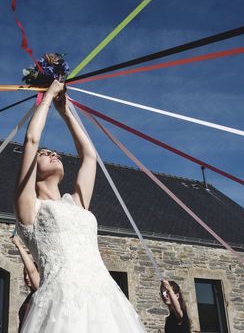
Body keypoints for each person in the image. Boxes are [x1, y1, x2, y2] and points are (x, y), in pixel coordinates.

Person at [14, 79, 146, 332]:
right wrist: (49, 96)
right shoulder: (30, 206)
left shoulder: (77, 203)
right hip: (62, 302)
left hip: (105, 299)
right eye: (45, 153)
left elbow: (89, 156)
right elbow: (31, 139)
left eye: (55, 152)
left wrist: (66, 112)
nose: (54, 154)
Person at [11, 234, 40, 331]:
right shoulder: (30, 295)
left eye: (29, 275)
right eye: (24, 274)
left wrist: (19, 245)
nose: (27, 277)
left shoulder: (40, 291)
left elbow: (32, 271)